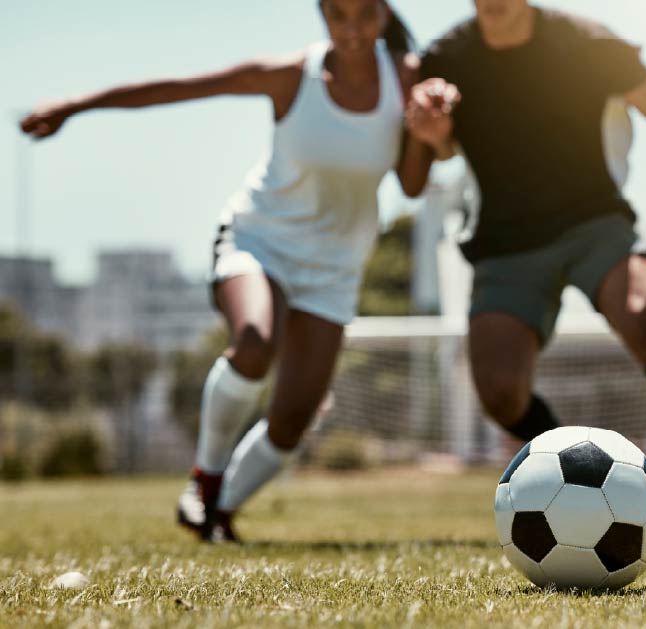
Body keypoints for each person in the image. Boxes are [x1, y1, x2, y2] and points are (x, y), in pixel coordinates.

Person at [20, 0, 448, 542]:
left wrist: (430, 139)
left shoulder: (407, 78)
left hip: (334, 269)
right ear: (322, 16)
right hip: (258, 241)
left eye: (364, 14)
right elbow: (179, 87)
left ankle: (215, 514)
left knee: (292, 421)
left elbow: (410, 185)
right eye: (338, 15)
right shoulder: (291, 77)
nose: (352, 28)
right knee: (253, 342)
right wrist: (75, 105)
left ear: (383, 16)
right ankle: (205, 479)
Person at [404, 0, 646, 546]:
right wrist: (432, 131)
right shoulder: (447, 58)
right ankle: (582, 475)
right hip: (505, 241)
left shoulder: (587, 44)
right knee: (499, 394)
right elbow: (441, 148)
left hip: (594, 222)